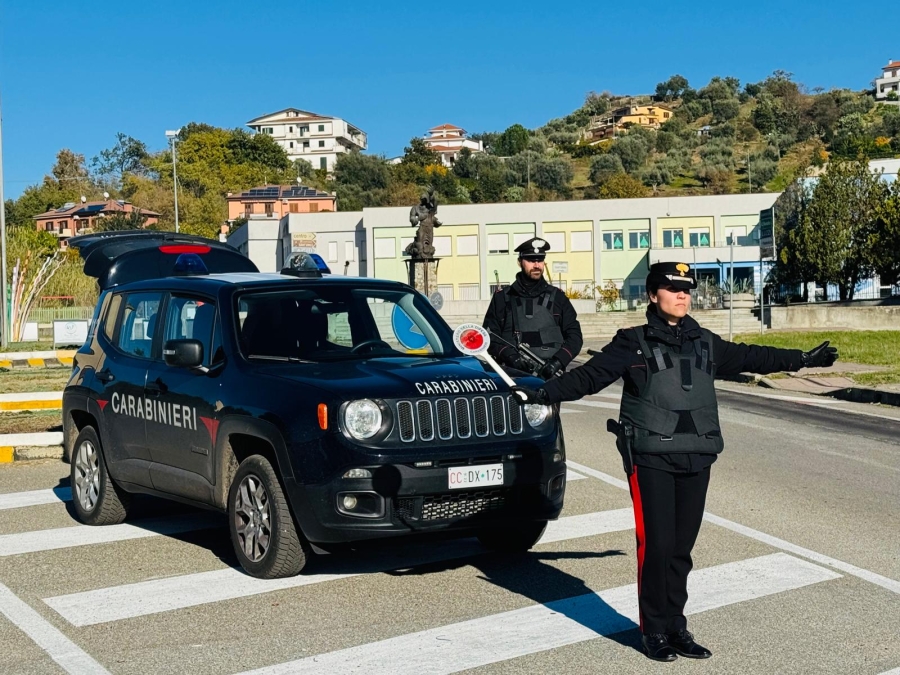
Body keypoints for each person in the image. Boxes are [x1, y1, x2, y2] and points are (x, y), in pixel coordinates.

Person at [511, 261, 838, 662]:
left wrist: (801, 358)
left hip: (697, 453)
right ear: (653, 294)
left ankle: (676, 626)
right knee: (658, 546)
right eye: (672, 288)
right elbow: (589, 377)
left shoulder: (704, 341)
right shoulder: (631, 342)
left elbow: (753, 356)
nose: (682, 295)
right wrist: (540, 393)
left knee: (682, 548)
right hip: (651, 458)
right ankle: (653, 630)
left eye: (687, 289)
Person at [482, 236, 583, 380]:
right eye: (531, 260)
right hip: (512, 376)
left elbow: (575, 337)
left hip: (550, 378)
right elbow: (488, 335)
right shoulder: (502, 298)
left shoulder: (558, 298)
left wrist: (557, 362)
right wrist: (510, 356)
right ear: (520, 262)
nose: (536, 265)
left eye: (540, 260)